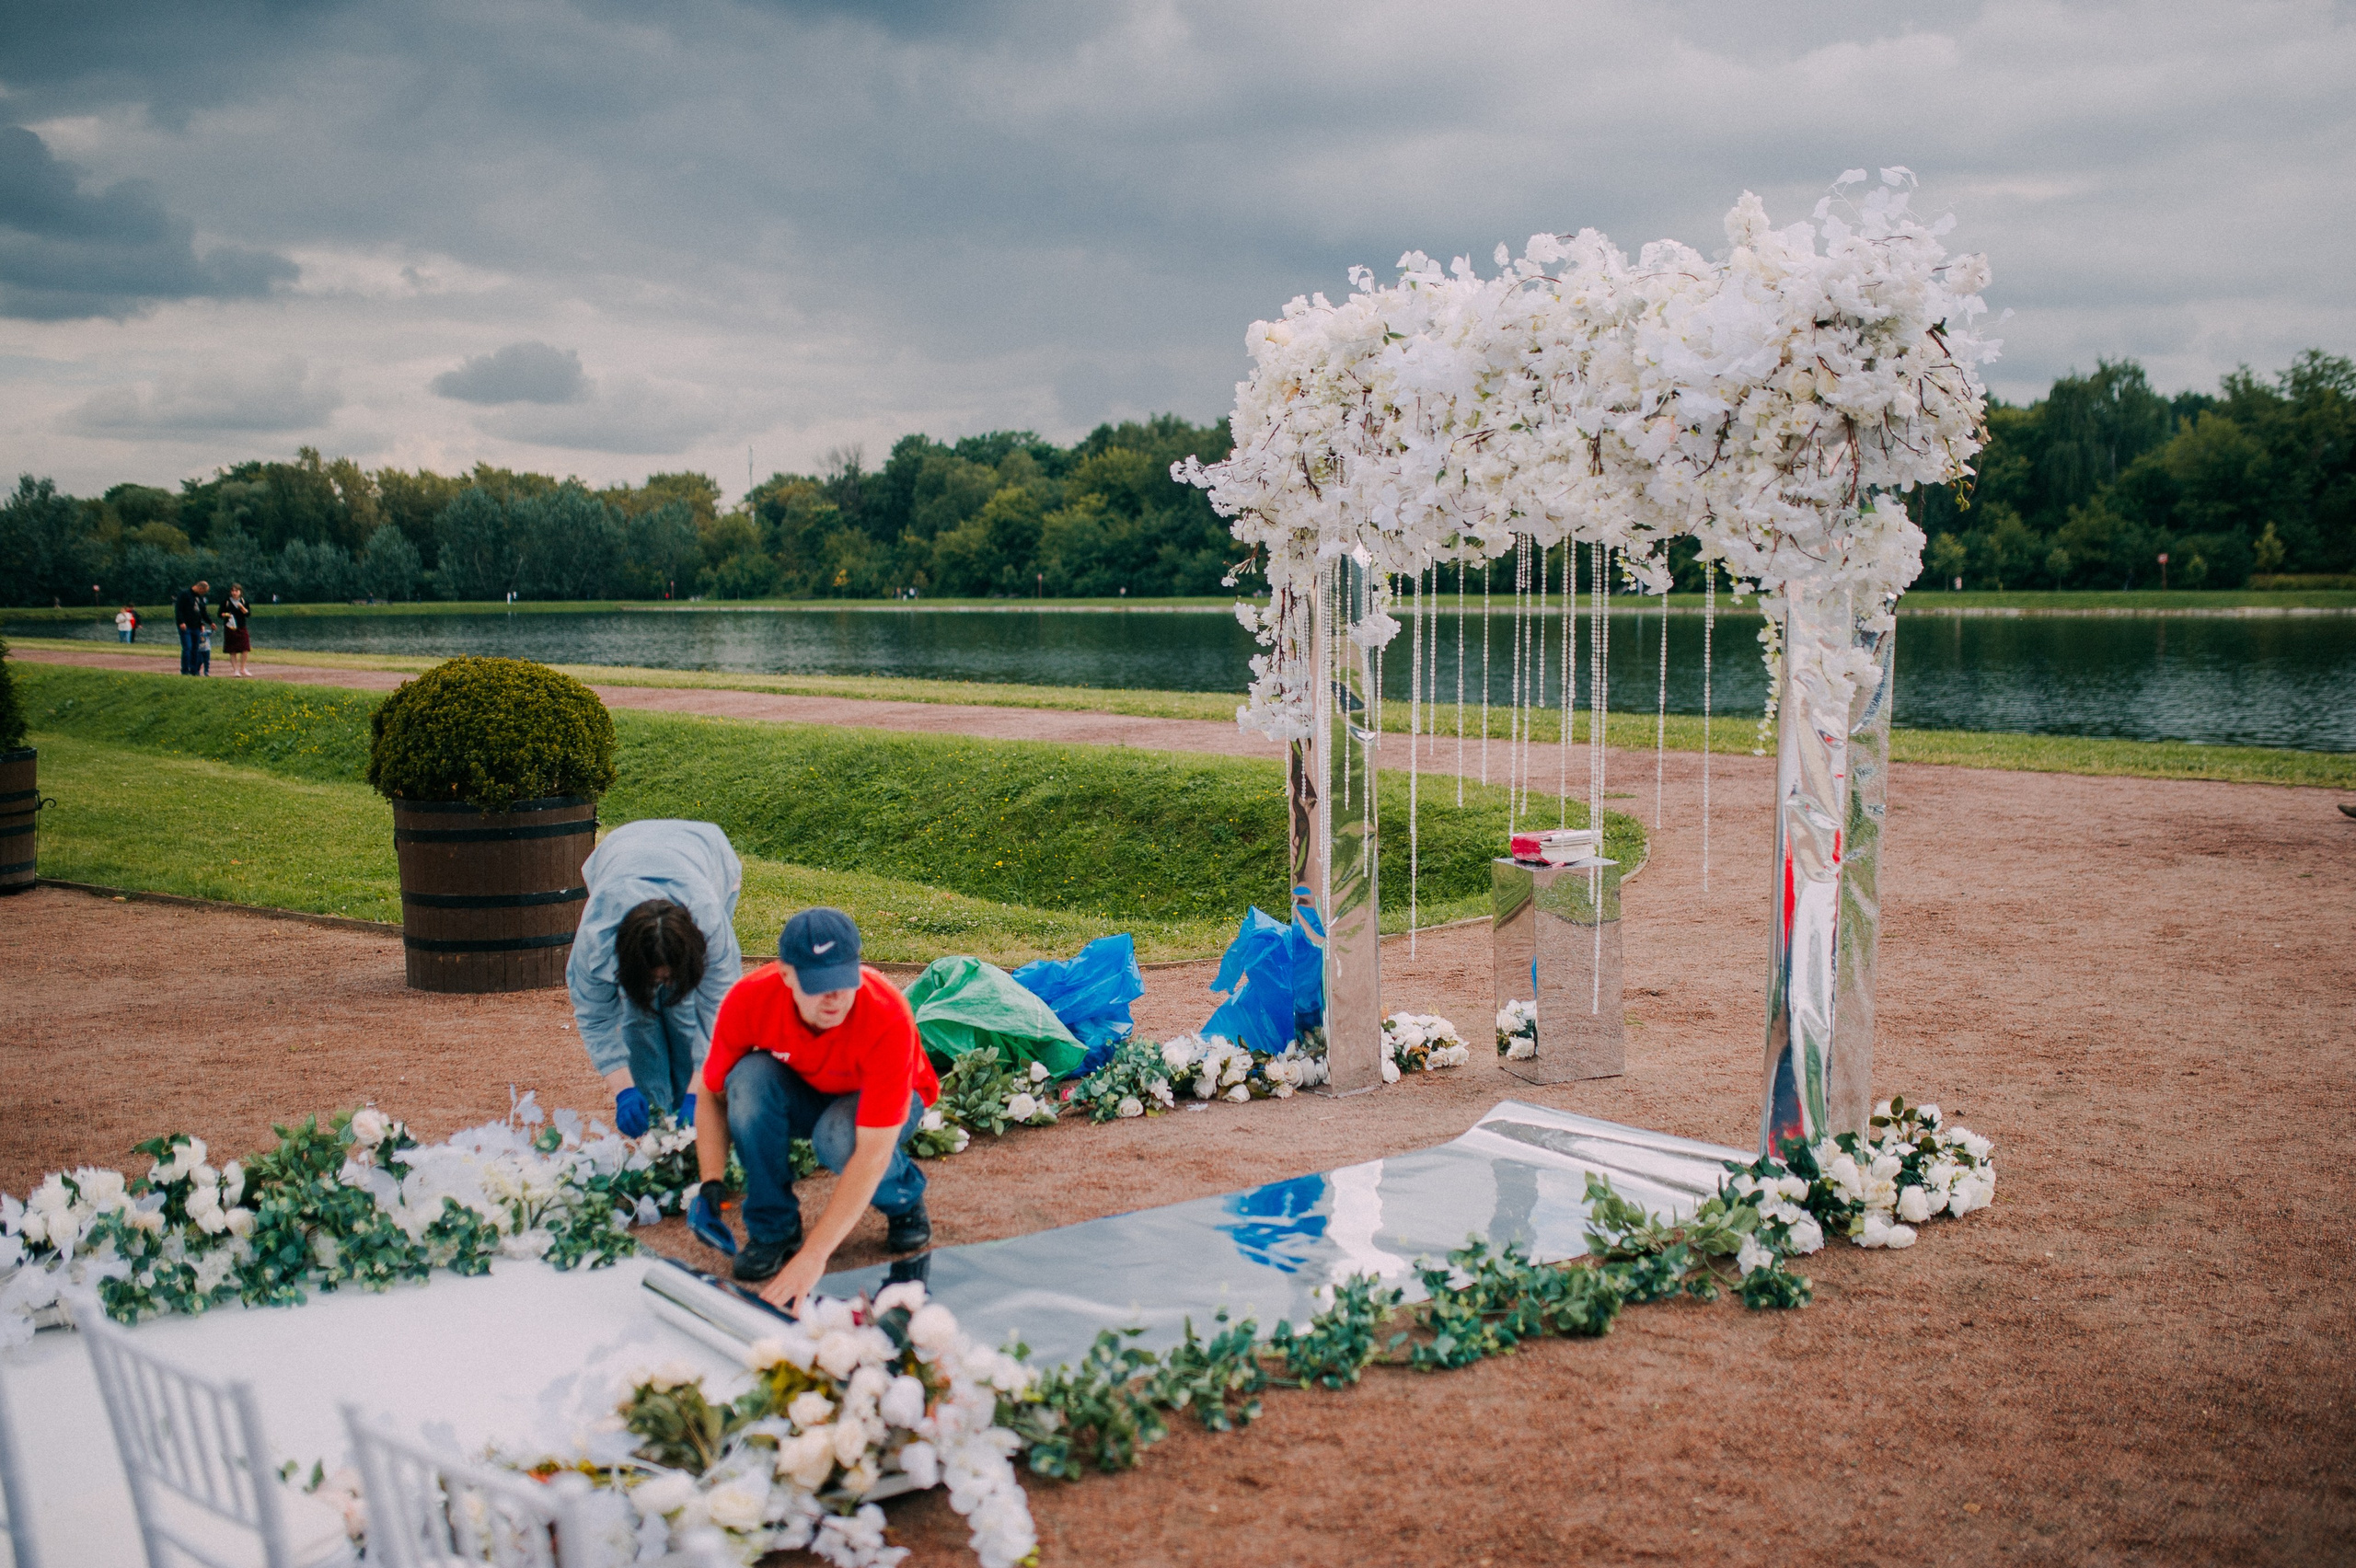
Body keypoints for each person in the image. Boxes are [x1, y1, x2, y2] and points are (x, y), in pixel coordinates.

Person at [689, 908, 939, 1311]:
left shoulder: (886, 1013)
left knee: (839, 1137)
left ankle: (903, 1198)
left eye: (842, 982)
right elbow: (710, 1093)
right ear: (785, 974)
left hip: (885, 1101)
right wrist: (710, 1183)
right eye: (818, 985)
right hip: (811, 1087)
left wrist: (814, 1256)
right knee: (748, 1080)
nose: (834, 998)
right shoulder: (749, 998)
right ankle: (774, 1228)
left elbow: (871, 1154)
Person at [566, 819, 745, 1136]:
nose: (663, 980)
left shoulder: (710, 926)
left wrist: (696, 1095)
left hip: (707, 853)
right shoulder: (597, 939)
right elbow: (595, 1018)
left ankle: (695, 1105)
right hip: (620, 854)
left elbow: (720, 1015)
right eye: (655, 975)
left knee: (685, 1006)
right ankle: (656, 1114)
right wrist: (623, 1090)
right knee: (639, 1007)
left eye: (669, 975)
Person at [172, 579, 212, 675]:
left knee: (195, 649)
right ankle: (185, 670)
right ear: (199, 587)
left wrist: (209, 622)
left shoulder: (199, 598)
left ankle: (194, 670)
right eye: (203, 591)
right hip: (186, 626)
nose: (203, 593)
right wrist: (181, 622)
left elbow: (202, 612)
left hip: (196, 626)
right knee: (187, 648)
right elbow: (179, 609)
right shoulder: (184, 594)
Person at [219, 584, 254, 676]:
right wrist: (227, 614)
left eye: (236, 591)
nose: (234, 593)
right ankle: (235, 670)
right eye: (233, 591)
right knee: (232, 650)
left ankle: (242, 668)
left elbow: (248, 614)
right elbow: (219, 614)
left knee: (245, 648)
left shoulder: (244, 601)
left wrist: (242, 608)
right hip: (230, 627)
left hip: (241, 626)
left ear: (240, 592)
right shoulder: (226, 601)